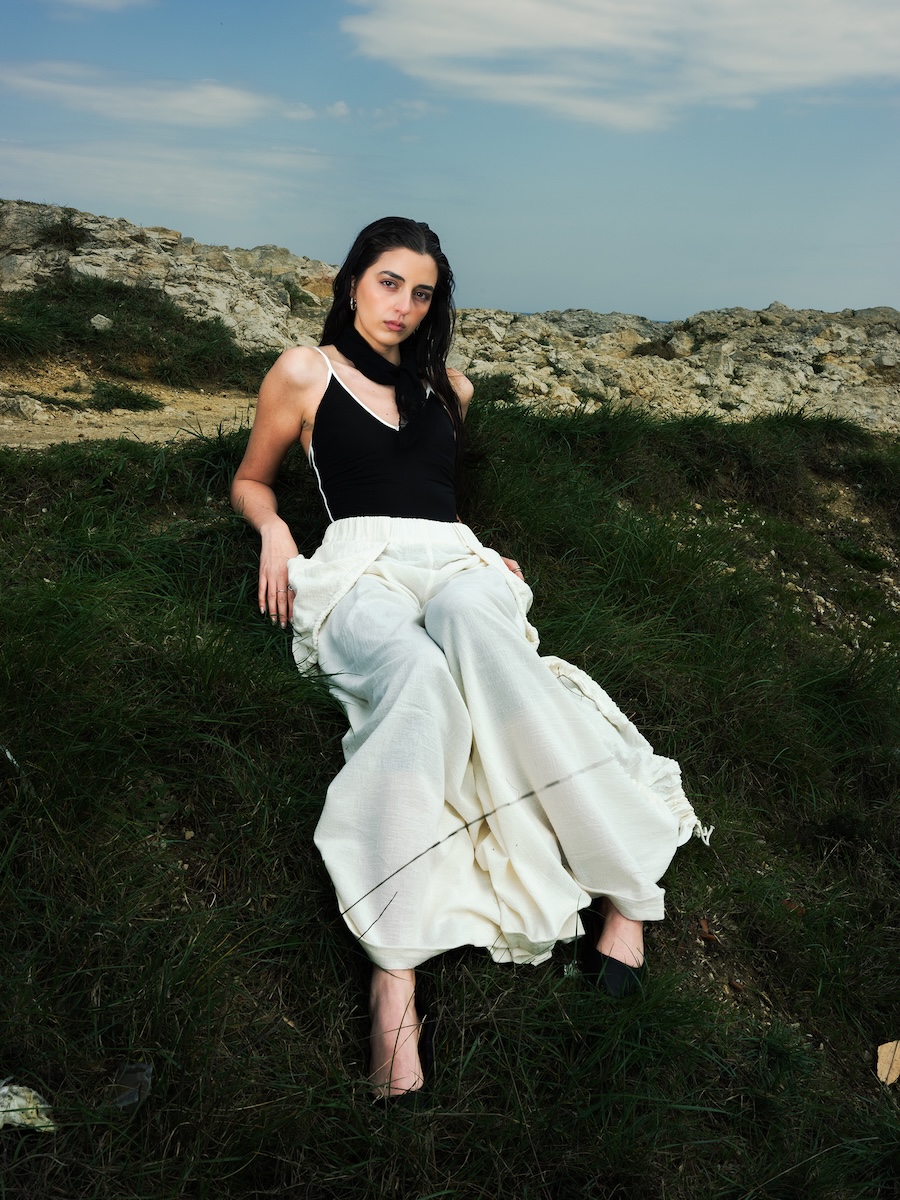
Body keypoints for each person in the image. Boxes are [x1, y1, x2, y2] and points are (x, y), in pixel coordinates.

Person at [231, 216, 707, 1101]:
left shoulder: (452, 387)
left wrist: (481, 554)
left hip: (456, 560)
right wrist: (275, 532)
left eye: (421, 293)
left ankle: (627, 894)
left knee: (486, 645)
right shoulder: (303, 371)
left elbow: (438, 497)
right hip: (357, 565)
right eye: (388, 282)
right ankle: (395, 974)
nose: (402, 306)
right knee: (415, 683)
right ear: (351, 280)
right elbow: (252, 477)